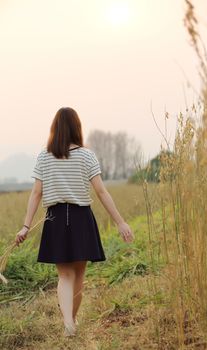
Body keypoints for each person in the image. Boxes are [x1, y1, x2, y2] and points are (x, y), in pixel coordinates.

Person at [14, 107, 135, 337]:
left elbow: (36, 193)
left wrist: (26, 226)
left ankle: (69, 322)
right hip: (81, 218)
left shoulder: (44, 156)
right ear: (77, 127)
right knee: (79, 274)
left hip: (55, 219)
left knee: (65, 275)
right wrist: (120, 222)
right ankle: (71, 321)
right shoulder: (87, 156)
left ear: (55, 128)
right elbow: (101, 192)